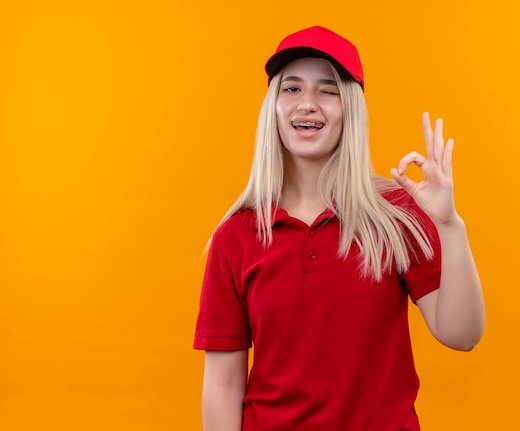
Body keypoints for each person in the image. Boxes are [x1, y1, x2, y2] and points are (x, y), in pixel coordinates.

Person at [194, 25, 485, 431]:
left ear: (350, 108)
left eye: (327, 90)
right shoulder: (237, 237)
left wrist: (450, 226)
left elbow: (462, 334)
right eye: (292, 89)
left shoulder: (394, 214)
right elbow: (224, 384)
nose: (307, 104)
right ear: (273, 107)